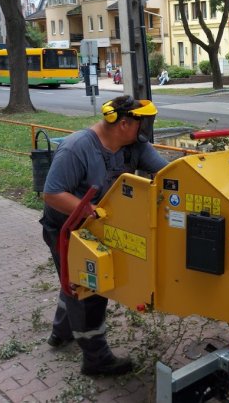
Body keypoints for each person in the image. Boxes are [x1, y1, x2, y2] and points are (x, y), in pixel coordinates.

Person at [40, 95, 168, 376]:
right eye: (142, 123)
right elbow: (51, 193)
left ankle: (61, 333)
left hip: (100, 227)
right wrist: (89, 210)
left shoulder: (135, 146)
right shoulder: (76, 149)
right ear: (124, 123)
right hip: (68, 228)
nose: (146, 129)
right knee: (89, 288)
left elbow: (165, 174)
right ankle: (96, 360)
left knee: (72, 281)